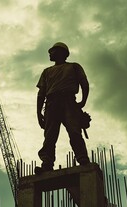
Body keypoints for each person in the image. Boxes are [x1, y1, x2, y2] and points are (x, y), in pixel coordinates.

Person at [35, 42, 90, 174]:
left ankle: (83, 159)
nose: (50, 53)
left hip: (68, 101)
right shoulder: (46, 72)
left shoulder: (74, 67)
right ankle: (47, 164)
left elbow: (84, 83)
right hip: (51, 104)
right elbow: (41, 93)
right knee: (50, 136)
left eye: (53, 51)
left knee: (74, 132)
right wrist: (38, 113)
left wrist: (83, 101)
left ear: (62, 52)